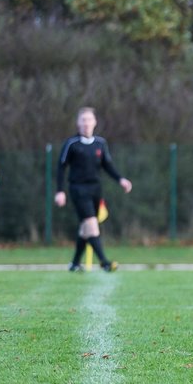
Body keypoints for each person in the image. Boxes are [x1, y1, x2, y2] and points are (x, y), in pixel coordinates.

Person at [55, 108, 131, 272]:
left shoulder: (100, 143)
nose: (86, 123)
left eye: (89, 119)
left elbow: (107, 165)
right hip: (78, 189)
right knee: (91, 224)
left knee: (85, 228)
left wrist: (120, 179)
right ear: (78, 123)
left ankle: (75, 264)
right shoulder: (71, 144)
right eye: (83, 120)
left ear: (95, 122)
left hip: (96, 189)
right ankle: (104, 262)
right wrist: (60, 191)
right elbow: (61, 167)